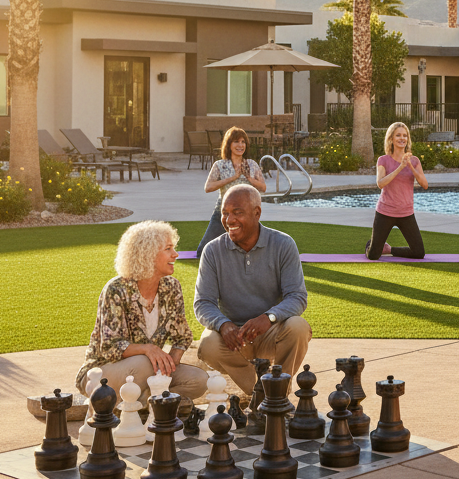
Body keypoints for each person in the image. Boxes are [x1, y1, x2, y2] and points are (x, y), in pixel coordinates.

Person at [194, 183, 311, 398]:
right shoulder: (212, 250)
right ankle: (258, 392)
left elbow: (297, 296)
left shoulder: (283, 244)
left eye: (237, 213)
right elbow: (203, 303)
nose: (229, 220)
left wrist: (269, 317)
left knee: (299, 327)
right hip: (233, 338)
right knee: (208, 343)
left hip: (271, 331)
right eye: (225, 213)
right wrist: (223, 325)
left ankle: (279, 391)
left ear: (257, 213)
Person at [76, 221, 207, 407]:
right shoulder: (116, 289)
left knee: (199, 379)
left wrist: (172, 363)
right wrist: (148, 349)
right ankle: (126, 404)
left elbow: (182, 337)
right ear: (148, 254)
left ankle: (145, 405)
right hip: (103, 372)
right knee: (144, 363)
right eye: (168, 248)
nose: (175, 254)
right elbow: (110, 346)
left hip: (150, 370)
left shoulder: (172, 287)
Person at [195, 127, 267, 260]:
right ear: (229, 145)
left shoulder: (251, 164)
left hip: (246, 213)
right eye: (236, 142)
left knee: (250, 250)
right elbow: (208, 187)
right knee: (202, 251)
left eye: (243, 142)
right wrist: (233, 177)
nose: (240, 145)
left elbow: (263, 187)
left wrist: (249, 178)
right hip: (224, 212)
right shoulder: (220, 165)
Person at [367, 121, 428, 260]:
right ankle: (372, 244)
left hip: (406, 213)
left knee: (419, 253)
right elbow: (380, 183)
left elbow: (425, 185)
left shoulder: (414, 161)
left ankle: (388, 249)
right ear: (391, 139)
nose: (402, 138)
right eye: (398, 135)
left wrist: (410, 167)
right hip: (385, 211)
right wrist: (400, 167)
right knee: (373, 255)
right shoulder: (383, 160)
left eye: (405, 135)